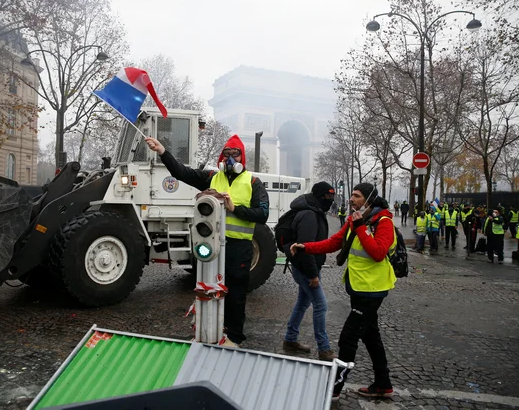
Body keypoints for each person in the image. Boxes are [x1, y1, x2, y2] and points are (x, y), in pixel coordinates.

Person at [145, 134, 269, 347]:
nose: (231, 159)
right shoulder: (213, 176)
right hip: (212, 244)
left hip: (239, 247)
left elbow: (262, 215)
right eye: (227, 154)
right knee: (208, 287)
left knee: (235, 295)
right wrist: (162, 152)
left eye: (235, 154)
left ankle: (235, 337)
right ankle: (211, 329)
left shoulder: (253, 182)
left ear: (242, 158)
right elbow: (181, 173)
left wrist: (234, 208)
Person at [290, 183, 396, 402]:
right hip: (358, 287)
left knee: (348, 338)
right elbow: (333, 243)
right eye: (352, 195)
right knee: (370, 336)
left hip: (373, 290)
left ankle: (334, 389)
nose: (351, 199)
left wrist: (360, 227)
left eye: (356, 196)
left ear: (369, 199)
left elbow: (377, 253)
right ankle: (383, 385)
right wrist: (305, 247)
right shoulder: (354, 219)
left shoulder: (384, 222)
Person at [282, 182, 336, 362]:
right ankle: (324, 348)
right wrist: (313, 275)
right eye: (328, 197)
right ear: (319, 196)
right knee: (320, 305)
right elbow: (305, 248)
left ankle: (290, 339)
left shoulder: (313, 210)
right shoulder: (309, 214)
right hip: (306, 268)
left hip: (305, 266)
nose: (331, 200)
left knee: (303, 303)